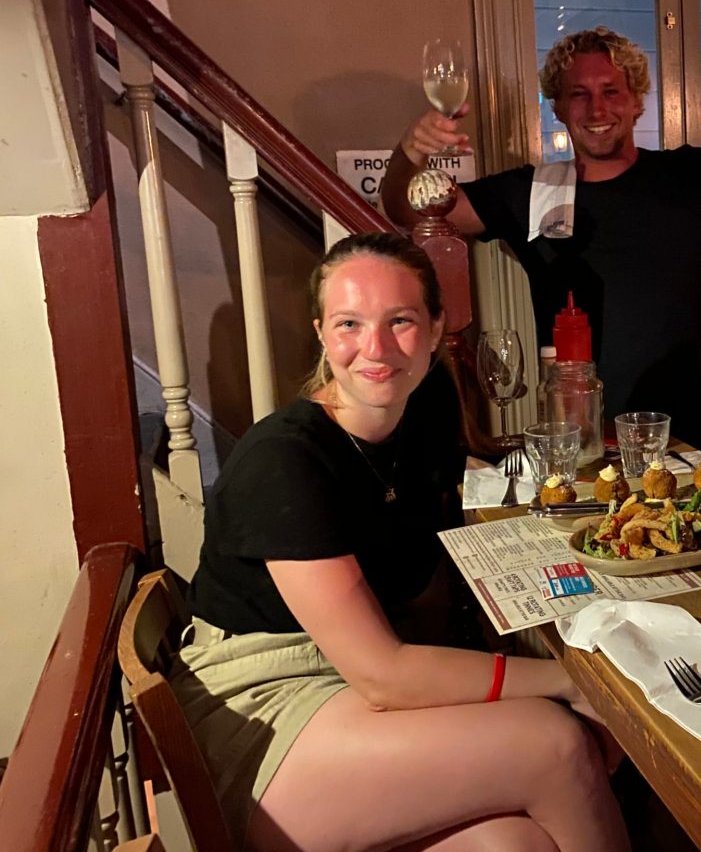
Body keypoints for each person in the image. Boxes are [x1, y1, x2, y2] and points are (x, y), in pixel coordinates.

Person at [173, 233, 629, 852]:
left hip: (352, 682)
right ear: (321, 333)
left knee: (514, 844)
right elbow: (385, 677)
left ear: (438, 328)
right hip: (264, 708)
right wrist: (569, 682)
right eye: (349, 323)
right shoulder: (283, 460)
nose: (376, 348)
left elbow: (427, 595)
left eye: (402, 321)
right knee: (557, 743)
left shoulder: (422, 413)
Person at [381, 26, 701, 451]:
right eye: (578, 95)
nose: (597, 110)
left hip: (682, 438)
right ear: (557, 107)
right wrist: (410, 152)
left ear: (637, 101)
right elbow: (407, 210)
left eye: (611, 91)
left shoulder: (689, 176)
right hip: (576, 443)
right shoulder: (533, 191)